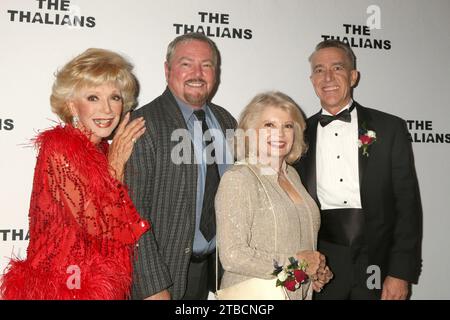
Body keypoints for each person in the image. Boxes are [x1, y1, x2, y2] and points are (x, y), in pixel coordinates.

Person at [0, 48, 149, 300]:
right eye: (93, 97)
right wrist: (115, 166)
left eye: (115, 97)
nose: (108, 109)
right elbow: (99, 227)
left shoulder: (103, 150)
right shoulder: (60, 147)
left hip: (101, 287)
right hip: (62, 288)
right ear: (72, 105)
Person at [294, 40, 422, 300]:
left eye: (337, 68)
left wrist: (400, 272)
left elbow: (407, 206)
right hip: (322, 264)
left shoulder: (389, 128)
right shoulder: (296, 135)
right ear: (311, 79)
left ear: (353, 76)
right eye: (319, 70)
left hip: (377, 258)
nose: (327, 77)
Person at [125, 33, 236, 300]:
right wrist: (152, 286)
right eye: (186, 64)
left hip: (213, 273)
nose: (197, 73)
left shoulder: (227, 121)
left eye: (206, 65)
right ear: (167, 69)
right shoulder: (142, 125)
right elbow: (131, 214)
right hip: (163, 277)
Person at [215, 92, 333, 300]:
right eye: (269, 125)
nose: (280, 133)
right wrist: (298, 263)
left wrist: (313, 271)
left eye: (288, 126)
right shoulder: (239, 178)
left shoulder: (293, 176)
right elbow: (232, 256)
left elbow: (295, 245)